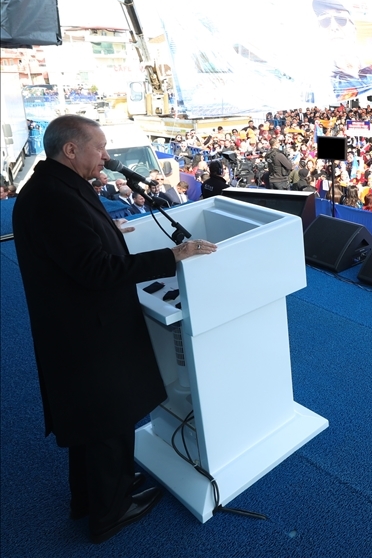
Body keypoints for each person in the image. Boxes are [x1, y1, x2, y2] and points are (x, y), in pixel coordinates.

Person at [11, 114, 217, 544]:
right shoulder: (55, 198)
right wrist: (174, 255)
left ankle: (89, 498)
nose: (106, 156)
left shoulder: (52, 186)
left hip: (75, 328)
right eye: (99, 147)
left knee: (90, 424)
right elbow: (97, 270)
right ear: (71, 149)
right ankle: (111, 512)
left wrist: (110, 231)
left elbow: (76, 244)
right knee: (109, 420)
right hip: (89, 333)